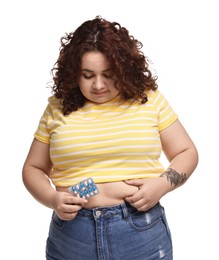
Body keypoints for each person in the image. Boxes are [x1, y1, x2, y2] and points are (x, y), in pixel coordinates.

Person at [22, 16, 198, 260]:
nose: (98, 85)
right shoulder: (57, 107)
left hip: (139, 230)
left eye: (108, 74)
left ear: (124, 68)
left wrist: (162, 185)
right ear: (74, 73)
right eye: (87, 75)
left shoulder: (147, 99)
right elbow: (33, 167)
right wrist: (52, 198)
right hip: (72, 235)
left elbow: (186, 152)